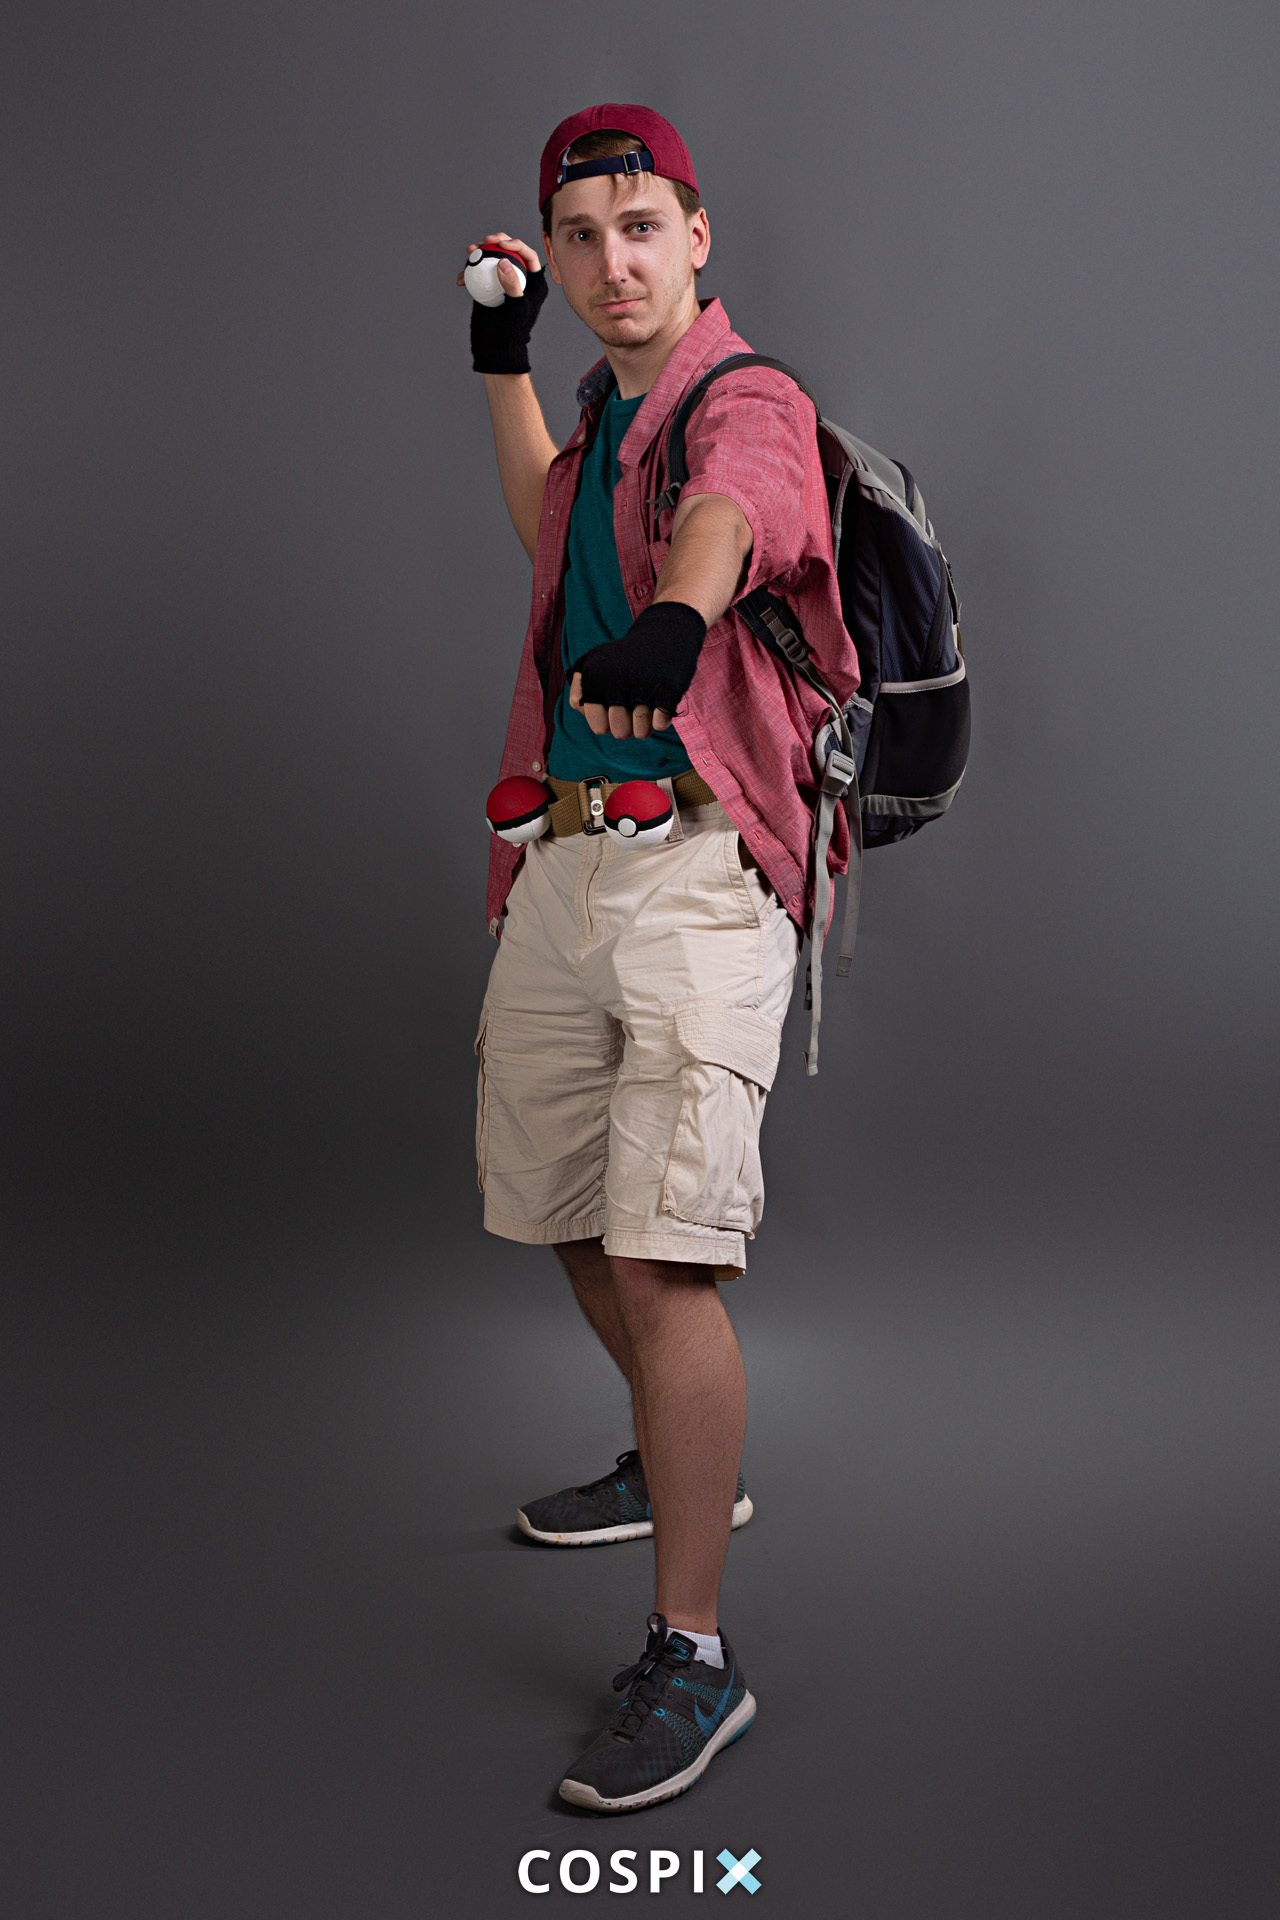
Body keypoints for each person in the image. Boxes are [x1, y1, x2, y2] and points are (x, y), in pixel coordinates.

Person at [462, 103, 859, 1812]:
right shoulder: (599, 422)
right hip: (561, 862)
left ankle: (694, 1654)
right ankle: (676, 1460)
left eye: (640, 227)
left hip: (699, 871)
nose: (612, 262)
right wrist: (500, 368)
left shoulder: (742, 398)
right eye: (581, 238)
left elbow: (735, 515)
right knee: (561, 1207)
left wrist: (684, 618)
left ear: (697, 237)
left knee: (662, 1259)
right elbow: (548, 531)